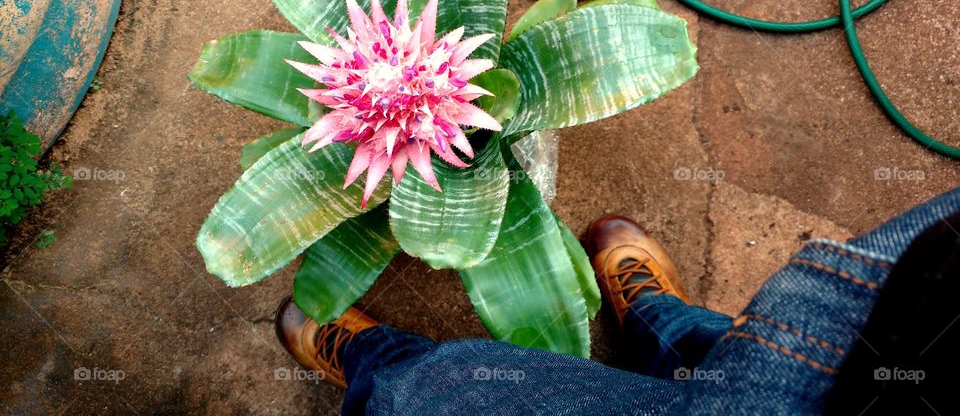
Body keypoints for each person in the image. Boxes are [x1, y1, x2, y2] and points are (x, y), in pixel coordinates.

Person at [276, 188, 960, 415]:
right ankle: (661, 324)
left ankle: (379, 366)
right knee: (716, 350)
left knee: (440, 392)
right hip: (898, 322)